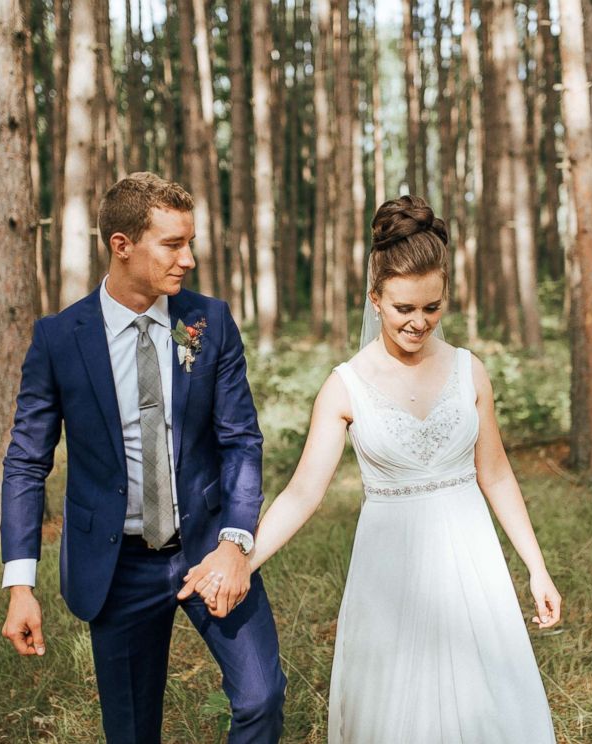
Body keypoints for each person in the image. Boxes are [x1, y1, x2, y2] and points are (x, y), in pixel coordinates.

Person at [187, 195, 560, 742]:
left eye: (432, 308)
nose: (419, 322)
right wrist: (240, 559)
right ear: (375, 300)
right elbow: (302, 493)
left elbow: (497, 475)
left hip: (472, 563)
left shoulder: (469, 371)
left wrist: (537, 567)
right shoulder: (346, 386)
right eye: (404, 308)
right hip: (391, 572)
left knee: (486, 708)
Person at [0, 172, 286, 744]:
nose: (190, 260)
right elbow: (27, 461)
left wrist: (235, 543)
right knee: (131, 732)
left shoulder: (209, 322)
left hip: (207, 545)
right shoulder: (59, 339)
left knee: (261, 697)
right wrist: (20, 584)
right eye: (173, 244)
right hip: (117, 565)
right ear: (122, 245)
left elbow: (241, 441)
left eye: (191, 242)